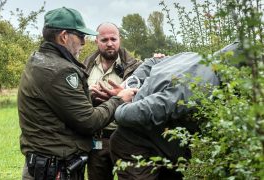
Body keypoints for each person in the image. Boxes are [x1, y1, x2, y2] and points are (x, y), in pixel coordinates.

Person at [18, 7, 137, 180]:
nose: (83, 42)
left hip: (44, 164)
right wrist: (119, 99)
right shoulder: (61, 70)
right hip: (55, 168)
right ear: (64, 36)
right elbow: (88, 121)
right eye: (80, 36)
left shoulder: (38, 60)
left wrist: (86, 96)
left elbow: (58, 105)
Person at [107, 42, 241, 179]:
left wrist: (132, 85)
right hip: (136, 146)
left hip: (167, 152)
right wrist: (121, 106)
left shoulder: (191, 56)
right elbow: (153, 107)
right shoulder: (204, 85)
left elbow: (153, 61)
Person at [83, 22, 141, 180]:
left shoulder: (136, 68)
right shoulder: (84, 67)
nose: (109, 44)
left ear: (120, 39)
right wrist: (89, 96)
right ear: (96, 41)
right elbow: (76, 102)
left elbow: (144, 100)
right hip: (97, 140)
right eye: (104, 40)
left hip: (127, 138)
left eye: (113, 39)